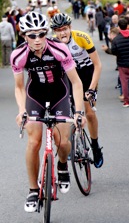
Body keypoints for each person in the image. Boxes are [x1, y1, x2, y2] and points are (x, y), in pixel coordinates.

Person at [10, 12, 85, 213]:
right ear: (24, 35)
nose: (37, 40)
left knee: (62, 142)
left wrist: (79, 112)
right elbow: (18, 88)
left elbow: (77, 83)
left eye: (42, 34)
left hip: (60, 94)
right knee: (34, 142)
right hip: (35, 96)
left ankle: (62, 166)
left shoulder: (59, 49)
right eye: (32, 35)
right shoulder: (18, 55)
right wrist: (21, 111)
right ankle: (33, 189)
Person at [50, 13, 103, 168]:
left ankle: (95, 145)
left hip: (87, 74)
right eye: (58, 30)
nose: (62, 33)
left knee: (90, 112)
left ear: (70, 28)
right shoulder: (53, 44)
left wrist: (92, 89)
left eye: (64, 29)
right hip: (69, 76)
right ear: (54, 31)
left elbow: (98, 65)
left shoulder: (82, 37)